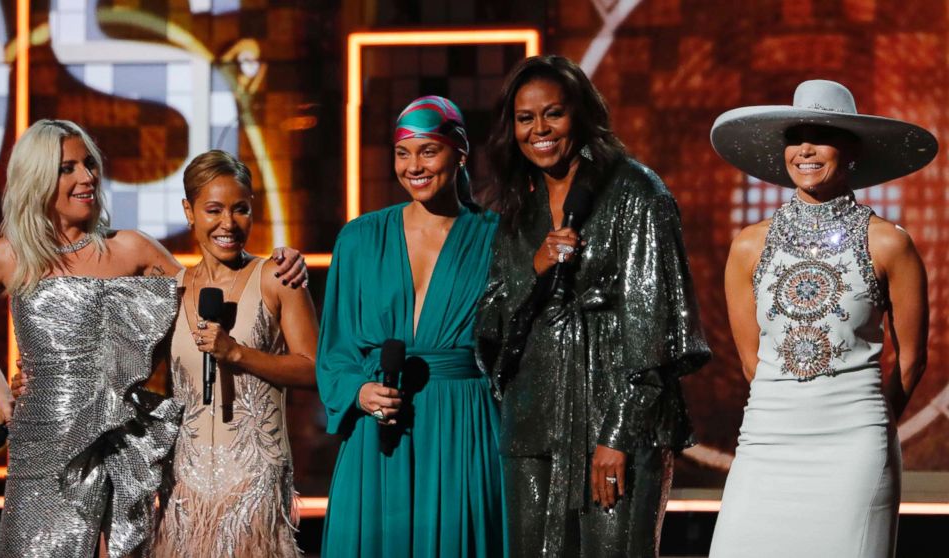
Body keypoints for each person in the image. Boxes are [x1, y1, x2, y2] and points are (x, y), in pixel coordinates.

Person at [0, 119, 305, 557]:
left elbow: (206, 285)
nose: (87, 177)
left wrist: (277, 262)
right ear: (37, 176)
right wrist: (5, 396)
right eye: (68, 168)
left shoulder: (132, 249)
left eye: (89, 164)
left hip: (122, 445)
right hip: (42, 449)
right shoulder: (6, 257)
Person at [475, 55, 710, 557]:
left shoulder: (638, 193)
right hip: (533, 427)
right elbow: (491, 323)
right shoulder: (518, 207)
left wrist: (618, 435)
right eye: (524, 118)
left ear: (581, 115)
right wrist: (532, 271)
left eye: (552, 114)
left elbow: (656, 327)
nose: (539, 129)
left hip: (614, 425)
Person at [707, 80, 935, 557]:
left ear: (852, 150)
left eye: (822, 135)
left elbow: (912, 361)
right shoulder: (748, 245)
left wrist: (866, 422)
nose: (806, 149)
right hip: (766, 444)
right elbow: (753, 363)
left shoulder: (890, 243)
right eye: (796, 136)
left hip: (855, 448)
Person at [318, 96, 505, 557]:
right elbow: (335, 351)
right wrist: (359, 391)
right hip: (377, 434)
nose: (414, 166)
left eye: (428, 151)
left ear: (459, 152)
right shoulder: (359, 238)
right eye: (403, 153)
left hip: (464, 427)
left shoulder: (497, 236)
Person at [152, 150, 318, 557]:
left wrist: (237, 353)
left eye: (240, 209)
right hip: (185, 489)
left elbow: (315, 370)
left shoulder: (278, 277)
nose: (228, 224)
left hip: (254, 484)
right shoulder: (168, 290)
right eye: (213, 210)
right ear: (189, 212)